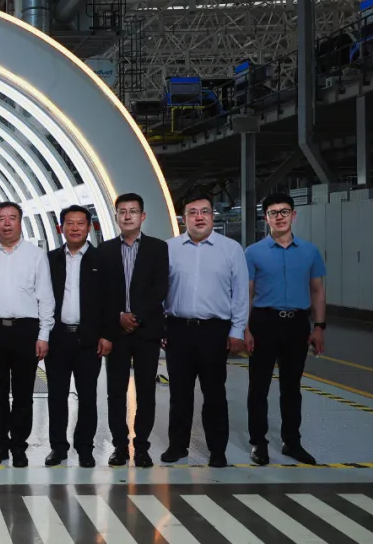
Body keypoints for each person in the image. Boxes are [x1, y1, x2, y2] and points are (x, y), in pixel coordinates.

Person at [162, 191, 248, 468]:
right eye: (193, 212)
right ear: (184, 218)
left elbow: (240, 294)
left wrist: (237, 330)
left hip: (215, 331)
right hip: (178, 330)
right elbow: (160, 290)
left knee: (214, 393)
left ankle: (217, 450)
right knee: (179, 393)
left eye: (205, 211)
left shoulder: (231, 249)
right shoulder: (169, 249)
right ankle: (178, 446)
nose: (199, 217)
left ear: (212, 215)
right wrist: (162, 326)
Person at [244, 192, 327, 466]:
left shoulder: (310, 252)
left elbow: (317, 290)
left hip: (297, 325)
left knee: (292, 387)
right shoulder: (253, 252)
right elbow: (247, 293)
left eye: (284, 211)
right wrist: (244, 328)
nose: (279, 217)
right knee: (259, 386)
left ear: (293, 215)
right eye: (273, 213)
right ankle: (258, 442)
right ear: (266, 218)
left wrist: (319, 327)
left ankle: (292, 442)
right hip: (264, 323)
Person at [0, 201, 55, 468]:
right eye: (1, 219)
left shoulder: (36, 255)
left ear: (20, 222)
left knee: (23, 394)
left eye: (12, 218)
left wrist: (43, 335)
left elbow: (46, 298)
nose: (7, 223)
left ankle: (19, 446)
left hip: (26, 331)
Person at [100, 193, 169, 468]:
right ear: (116, 216)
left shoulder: (158, 248)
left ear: (143, 216)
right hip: (116, 332)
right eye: (122, 211)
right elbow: (102, 293)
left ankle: (141, 447)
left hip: (146, 331)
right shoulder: (105, 250)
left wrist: (136, 316)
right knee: (115, 393)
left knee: (146, 392)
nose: (127, 216)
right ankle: (119, 446)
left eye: (133, 211)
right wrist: (119, 316)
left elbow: (160, 288)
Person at [44, 205, 114, 468]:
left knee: (87, 397)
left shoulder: (102, 260)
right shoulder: (50, 260)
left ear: (89, 227)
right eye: (69, 224)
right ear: (61, 228)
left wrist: (106, 335)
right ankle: (58, 448)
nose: (75, 228)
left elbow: (110, 301)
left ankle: (85, 448)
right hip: (57, 339)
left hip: (89, 341)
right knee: (56, 396)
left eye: (80, 223)